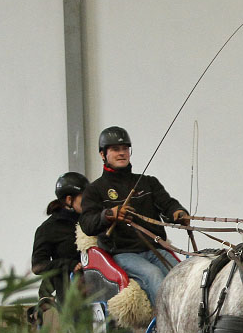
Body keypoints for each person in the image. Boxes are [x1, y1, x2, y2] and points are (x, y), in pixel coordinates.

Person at [78, 126, 190, 308]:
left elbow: (168, 205)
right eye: (115, 149)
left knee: (184, 273)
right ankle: (167, 325)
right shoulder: (95, 189)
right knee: (152, 274)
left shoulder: (148, 182)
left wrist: (178, 213)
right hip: (123, 253)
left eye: (125, 149)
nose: (121, 153)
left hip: (155, 248)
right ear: (102, 154)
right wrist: (109, 215)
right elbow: (87, 224)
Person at [31, 172, 88, 303]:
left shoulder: (89, 222)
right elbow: (38, 266)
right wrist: (68, 264)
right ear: (69, 200)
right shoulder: (48, 229)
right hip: (70, 291)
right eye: (84, 198)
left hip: (98, 286)